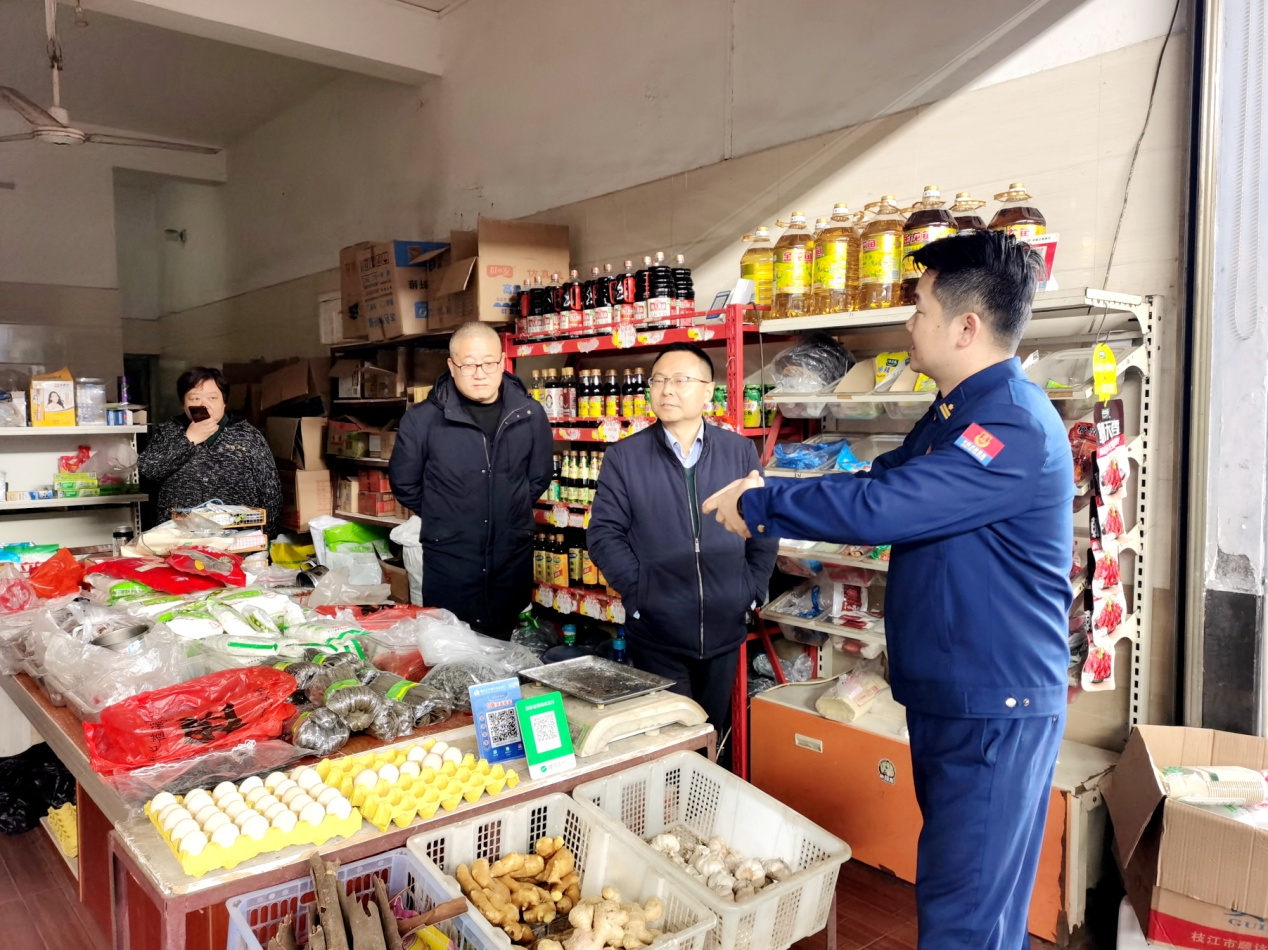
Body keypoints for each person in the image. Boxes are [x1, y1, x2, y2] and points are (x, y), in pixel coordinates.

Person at [703, 231, 1071, 950]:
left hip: (994, 703)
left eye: (921, 309)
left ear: (967, 327)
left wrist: (762, 505)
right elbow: (880, 480)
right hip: (958, 693)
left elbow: (886, 508)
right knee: (975, 896)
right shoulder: (955, 413)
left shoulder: (1010, 425)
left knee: (966, 909)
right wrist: (769, 484)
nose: (909, 323)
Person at [587, 342, 778, 740]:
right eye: (658, 380)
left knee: (710, 733)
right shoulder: (625, 457)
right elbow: (603, 535)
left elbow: (763, 526)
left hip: (725, 623)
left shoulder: (739, 451)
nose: (667, 390)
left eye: (680, 380)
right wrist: (641, 593)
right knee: (670, 742)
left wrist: (751, 588)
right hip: (657, 631)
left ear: (708, 391)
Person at [389, 321, 553, 638]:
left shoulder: (530, 414)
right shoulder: (422, 420)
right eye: (468, 365)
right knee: (451, 651)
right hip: (450, 558)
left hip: (509, 557)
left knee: (504, 646)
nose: (480, 374)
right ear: (452, 367)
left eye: (489, 363)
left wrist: (505, 507)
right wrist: (447, 513)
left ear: (502, 362)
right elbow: (405, 484)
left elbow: (538, 477)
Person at [138, 367, 283, 535]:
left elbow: (271, 494)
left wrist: (265, 538)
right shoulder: (168, 432)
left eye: (212, 398)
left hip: (238, 539)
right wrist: (188, 440)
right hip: (179, 539)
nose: (204, 404)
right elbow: (147, 473)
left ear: (224, 403)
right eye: (195, 398)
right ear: (183, 404)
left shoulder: (248, 436)